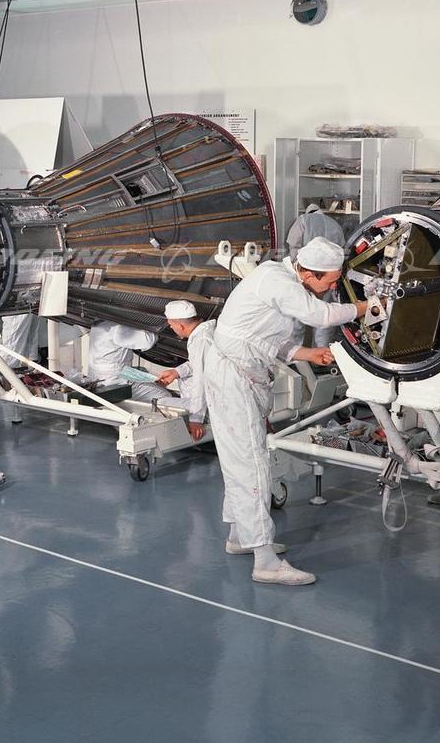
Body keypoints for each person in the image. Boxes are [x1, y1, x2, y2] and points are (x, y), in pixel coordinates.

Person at [204, 236, 368, 585]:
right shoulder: (277, 281)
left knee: (243, 459)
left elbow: (268, 339)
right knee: (249, 463)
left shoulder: (280, 280)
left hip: (241, 371)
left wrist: (308, 354)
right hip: (232, 376)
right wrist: (367, 308)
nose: (334, 287)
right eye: (330, 281)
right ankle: (265, 561)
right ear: (308, 273)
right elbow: (321, 315)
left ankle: (239, 537)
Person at [286, 205, 347, 347]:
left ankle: (296, 354)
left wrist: (298, 267)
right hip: (328, 278)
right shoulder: (335, 225)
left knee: (298, 317)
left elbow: (293, 244)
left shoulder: (303, 220)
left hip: (308, 277)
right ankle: (322, 352)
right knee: (325, 316)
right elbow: (342, 250)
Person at [157, 300, 216, 442]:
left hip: (214, 403)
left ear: (180, 325)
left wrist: (196, 419)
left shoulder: (202, 340)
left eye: (171, 325)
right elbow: (199, 363)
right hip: (211, 398)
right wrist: (176, 372)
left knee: (160, 403)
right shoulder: (204, 333)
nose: (171, 328)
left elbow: (202, 381)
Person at [87, 321, 171, 403]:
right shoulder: (117, 328)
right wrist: (159, 331)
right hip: (116, 384)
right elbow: (147, 341)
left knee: (146, 374)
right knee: (164, 394)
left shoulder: (97, 324)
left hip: (97, 378)